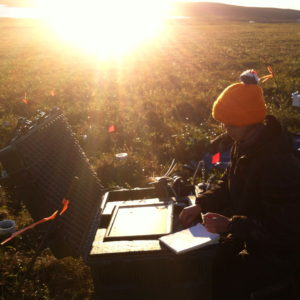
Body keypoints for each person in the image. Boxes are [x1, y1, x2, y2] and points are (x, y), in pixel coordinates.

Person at [179, 70, 300, 300]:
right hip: (247, 234)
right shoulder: (244, 143)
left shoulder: (278, 164)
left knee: (221, 272)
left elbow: (283, 230)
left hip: (278, 253)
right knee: (208, 263)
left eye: (231, 125)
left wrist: (231, 226)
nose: (226, 130)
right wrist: (201, 204)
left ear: (252, 123)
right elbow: (229, 181)